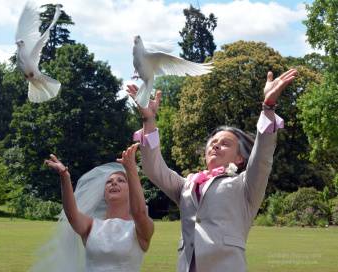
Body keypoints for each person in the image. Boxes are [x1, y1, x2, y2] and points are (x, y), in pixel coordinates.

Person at [127, 69, 297, 272]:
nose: (215, 145)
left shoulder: (245, 185)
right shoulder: (186, 184)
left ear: (240, 157)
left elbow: (261, 157)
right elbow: (154, 169)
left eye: (225, 143)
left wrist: (268, 107)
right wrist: (148, 121)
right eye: (213, 142)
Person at [31, 144, 154, 272]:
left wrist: (131, 170)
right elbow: (71, 214)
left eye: (121, 180)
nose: (114, 182)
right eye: (109, 181)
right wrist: (64, 176)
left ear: (131, 191)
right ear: (104, 193)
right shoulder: (91, 226)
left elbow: (139, 213)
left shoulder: (141, 227)